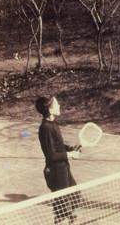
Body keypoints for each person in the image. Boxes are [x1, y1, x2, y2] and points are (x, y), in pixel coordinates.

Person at [36, 96, 81, 224]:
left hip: (63, 167)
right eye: (57, 105)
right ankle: (62, 219)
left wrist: (70, 148)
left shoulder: (53, 123)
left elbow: (58, 145)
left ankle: (67, 216)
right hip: (55, 170)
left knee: (75, 195)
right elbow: (51, 155)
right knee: (62, 201)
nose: (60, 106)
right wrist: (70, 155)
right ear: (50, 110)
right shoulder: (46, 128)